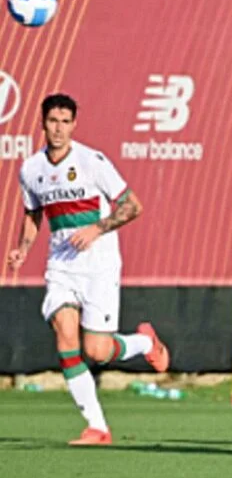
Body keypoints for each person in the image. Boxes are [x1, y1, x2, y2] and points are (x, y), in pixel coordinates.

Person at [7, 93, 169, 446]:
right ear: (42, 123)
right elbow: (34, 214)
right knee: (65, 332)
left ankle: (144, 342)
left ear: (74, 124)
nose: (59, 128)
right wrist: (22, 249)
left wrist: (97, 228)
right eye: (53, 121)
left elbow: (132, 206)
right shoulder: (31, 169)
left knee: (96, 350)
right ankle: (97, 426)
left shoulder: (92, 161)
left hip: (99, 264)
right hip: (61, 265)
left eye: (66, 122)